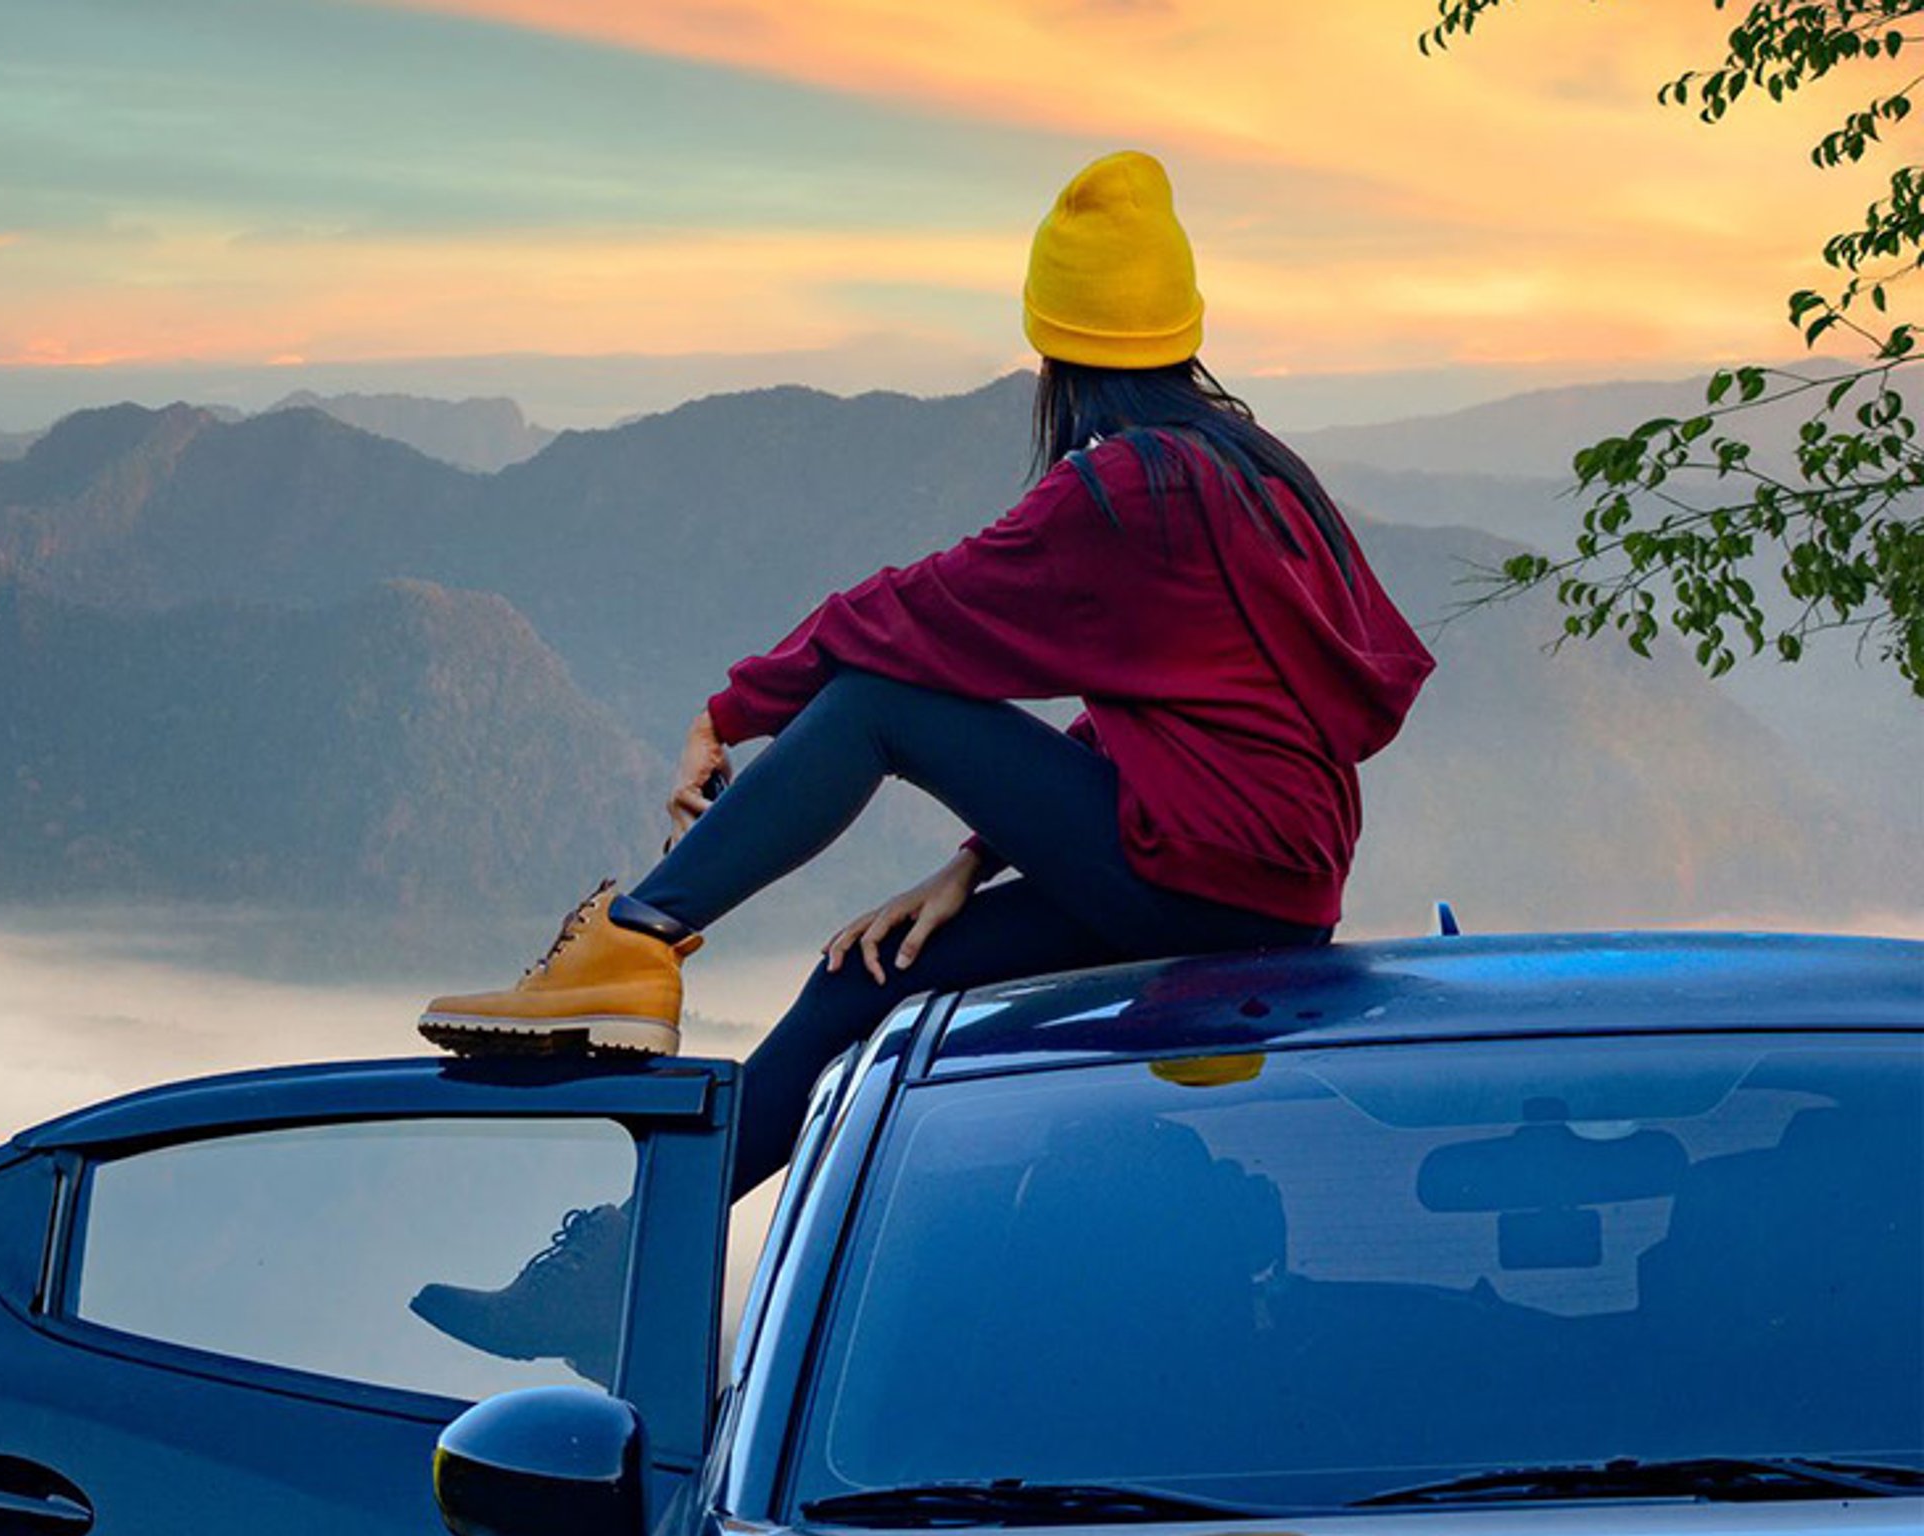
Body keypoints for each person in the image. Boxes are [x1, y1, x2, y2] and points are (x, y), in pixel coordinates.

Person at [413, 150, 1436, 1208]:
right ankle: (614, 1252)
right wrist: (974, 860)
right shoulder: (1252, 470)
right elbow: (1185, 725)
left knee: (876, 704)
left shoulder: (1130, 487)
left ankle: (636, 939)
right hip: (1263, 890)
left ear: (1054, 342)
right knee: (873, 971)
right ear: (1181, 329)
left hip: (1201, 879)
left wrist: (734, 709)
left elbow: (918, 610)